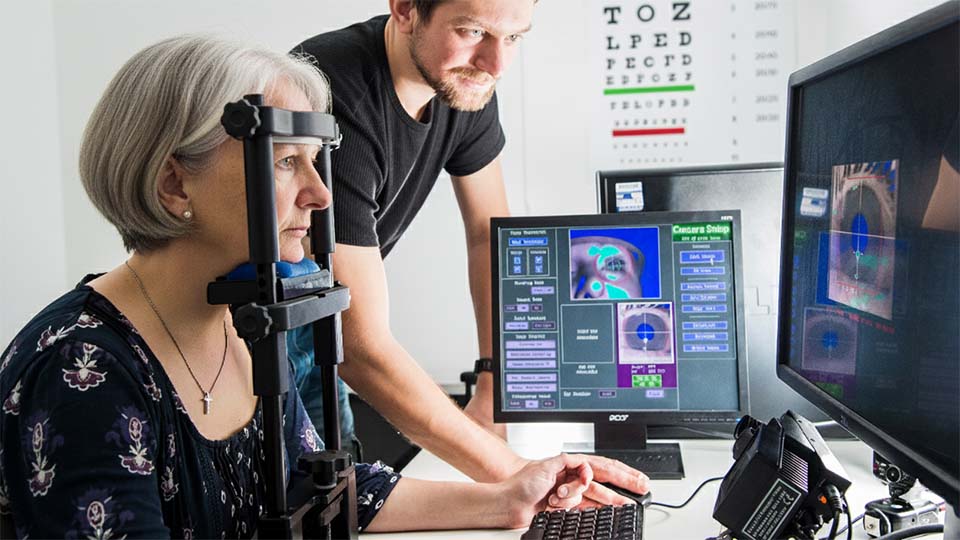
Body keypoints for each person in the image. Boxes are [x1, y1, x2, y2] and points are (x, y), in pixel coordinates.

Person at [0, 35, 643, 538]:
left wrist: (506, 498)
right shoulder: (82, 373)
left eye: (317, 160)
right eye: (285, 161)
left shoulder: (244, 322)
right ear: (175, 186)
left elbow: (322, 488)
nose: (320, 193)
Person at [291, 0, 650, 501]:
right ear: (405, 8)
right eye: (472, 30)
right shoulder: (330, 95)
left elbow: (489, 234)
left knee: (336, 500)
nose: (495, 64)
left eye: (514, 37)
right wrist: (512, 472)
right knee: (297, 503)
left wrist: (492, 384)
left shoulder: (464, 82)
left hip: (316, 337)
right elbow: (358, 343)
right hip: (242, 345)